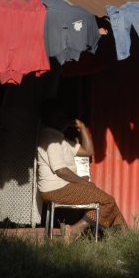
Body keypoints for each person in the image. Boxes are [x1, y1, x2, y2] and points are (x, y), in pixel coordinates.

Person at [36, 103, 127, 240]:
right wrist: (84, 183)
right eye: (60, 117)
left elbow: (88, 151)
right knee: (107, 201)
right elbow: (61, 171)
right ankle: (74, 230)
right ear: (50, 119)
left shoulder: (60, 139)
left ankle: (126, 236)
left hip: (62, 186)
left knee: (108, 202)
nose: (64, 120)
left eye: (65, 117)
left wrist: (83, 127)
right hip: (55, 189)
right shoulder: (51, 138)